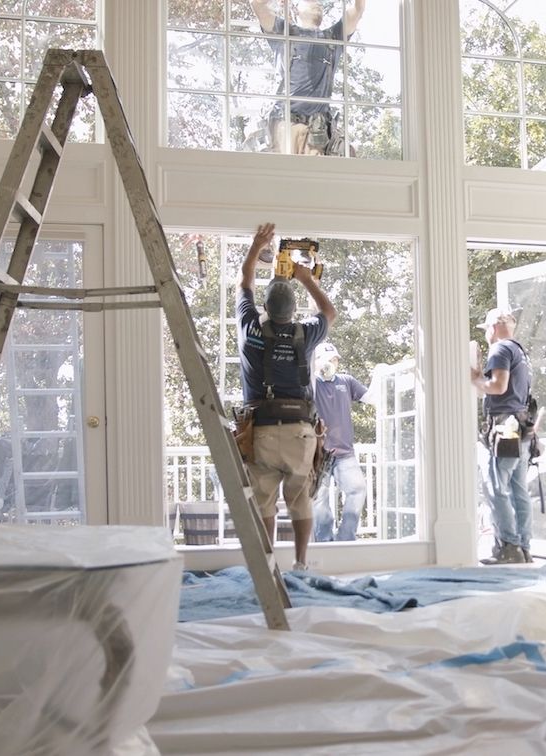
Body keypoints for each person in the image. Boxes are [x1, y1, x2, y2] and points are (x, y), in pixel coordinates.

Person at [237, 222, 337, 571]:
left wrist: (256, 246)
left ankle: (268, 567)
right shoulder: (305, 333)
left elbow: (245, 282)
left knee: (264, 502)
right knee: (299, 501)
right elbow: (328, 313)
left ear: (265, 307)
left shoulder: (250, 329)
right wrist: (306, 277)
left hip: (261, 431)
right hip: (299, 431)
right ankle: (300, 562)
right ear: (292, 311)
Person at [250, 0, 367, 155]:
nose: (316, 2)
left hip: (317, 132)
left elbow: (358, 9)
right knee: (281, 174)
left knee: (315, 176)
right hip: (285, 125)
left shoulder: (333, 37)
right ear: (295, 9)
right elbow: (257, 5)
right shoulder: (284, 32)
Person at [470, 307, 535, 565]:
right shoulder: (520, 351)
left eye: (486, 329)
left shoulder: (500, 349)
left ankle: (508, 546)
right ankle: (523, 547)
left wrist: (474, 379)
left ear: (493, 327)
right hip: (520, 427)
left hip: (503, 427)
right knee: (519, 490)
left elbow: (498, 386)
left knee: (496, 487)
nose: (486, 334)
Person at [311, 342, 375, 542]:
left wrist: (379, 375)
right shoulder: (311, 384)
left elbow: (372, 398)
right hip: (318, 454)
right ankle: (324, 540)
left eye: (334, 360)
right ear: (316, 362)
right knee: (319, 498)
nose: (331, 363)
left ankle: (346, 538)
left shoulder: (346, 381)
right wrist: (313, 370)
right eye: (326, 360)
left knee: (358, 490)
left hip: (345, 452)